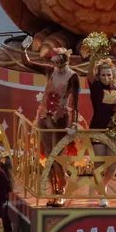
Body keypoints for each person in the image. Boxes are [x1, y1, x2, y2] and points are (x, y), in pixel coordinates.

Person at [23, 39, 79, 206]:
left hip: (60, 120)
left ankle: (61, 189)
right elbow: (27, 63)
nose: (58, 65)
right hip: (44, 117)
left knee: (57, 156)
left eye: (61, 61)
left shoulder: (73, 77)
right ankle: (53, 189)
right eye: (56, 61)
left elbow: (76, 104)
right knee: (48, 156)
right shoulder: (49, 71)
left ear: (66, 61)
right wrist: (24, 48)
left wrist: (74, 124)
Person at [87, 57, 116, 208]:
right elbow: (89, 73)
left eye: (109, 74)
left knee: (113, 166)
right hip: (97, 130)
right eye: (103, 75)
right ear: (98, 76)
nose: (106, 77)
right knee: (99, 164)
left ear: (113, 75)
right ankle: (102, 194)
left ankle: (102, 186)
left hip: (113, 132)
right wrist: (94, 57)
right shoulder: (95, 87)